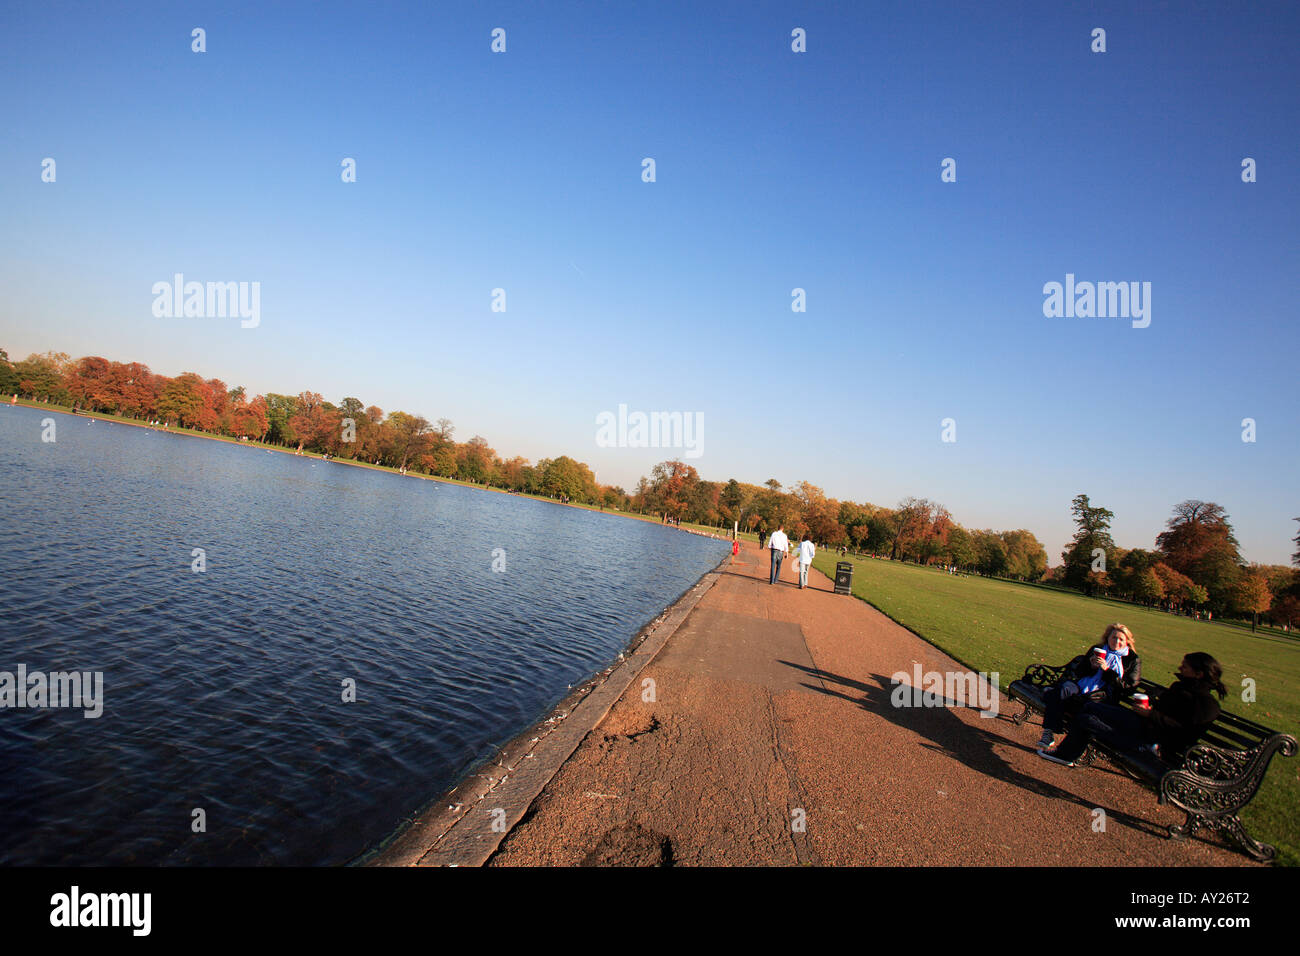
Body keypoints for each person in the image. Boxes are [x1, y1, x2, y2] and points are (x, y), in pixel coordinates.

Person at [1038, 652, 1226, 767]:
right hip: (1142, 724)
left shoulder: (1206, 704)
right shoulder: (1182, 688)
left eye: (1185, 667)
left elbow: (1182, 731)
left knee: (1086, 719)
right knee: (1090, 707)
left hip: (1152, 741)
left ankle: (1066, 755)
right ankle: (1067, 754)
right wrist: (1151, 704)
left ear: (1199, 674)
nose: (1179, 667)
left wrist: (1151, 714)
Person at [1036, 623, 1141, 750]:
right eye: (1114, 637)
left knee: (1066, 700)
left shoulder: (1132, 659)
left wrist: (1106, 670)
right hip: (1082, 685)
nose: (1117, 641)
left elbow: (1128, 687)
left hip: (1104, 694)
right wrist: (1090, 666)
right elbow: (1079, 672)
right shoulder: (1097, 649)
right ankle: (1048, 733)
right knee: (1060, 693)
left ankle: (1067, 748)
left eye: (1121, 639)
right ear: (1107, 637)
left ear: (1127, 641)